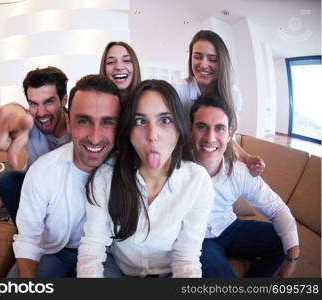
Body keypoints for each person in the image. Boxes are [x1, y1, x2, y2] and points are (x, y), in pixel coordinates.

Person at [77, 79, 215, 278]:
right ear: (129, 131)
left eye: (165, 120)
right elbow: (92, 249)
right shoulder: (106, 176)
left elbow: (186, 259)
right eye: (140, 121)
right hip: (119, 270)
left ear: (179, 127)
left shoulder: (196, 181)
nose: (152, 135)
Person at [13, 74, 122, 278]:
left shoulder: (127, 173)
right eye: (84, 121)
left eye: (107, 122)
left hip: (107, 254)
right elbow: (28, 238)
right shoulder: (42, 171)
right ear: (69, 123)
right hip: (53, 253)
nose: (95, 137)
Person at [189, 95, 299, 278]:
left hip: (230, 228)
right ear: (190, 130)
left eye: (219, 129)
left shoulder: (239, 172)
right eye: (202, 127)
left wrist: (293, 258)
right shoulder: (177, 170)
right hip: (200, 240)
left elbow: (277, 209)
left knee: (284, 241)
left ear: (230, 135)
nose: (210, 137)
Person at [0, 67, 71, 222]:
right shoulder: (28, 123)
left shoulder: (79, 127)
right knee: (7, 180)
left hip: (65, 197)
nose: (40, 113)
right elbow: (17, 112)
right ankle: (23, 229)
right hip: (33, 188)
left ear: (64, 100)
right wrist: (13, 111)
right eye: (33, 104)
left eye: (49, 101)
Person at [175, 30, 265, 177]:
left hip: (214, 166)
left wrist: (247, 158)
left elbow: (226, 139)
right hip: (184, 165)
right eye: (197, 57)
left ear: (222, 61)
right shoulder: (178, 91)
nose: (203, 65)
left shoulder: (233, 95)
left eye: (212, 59)